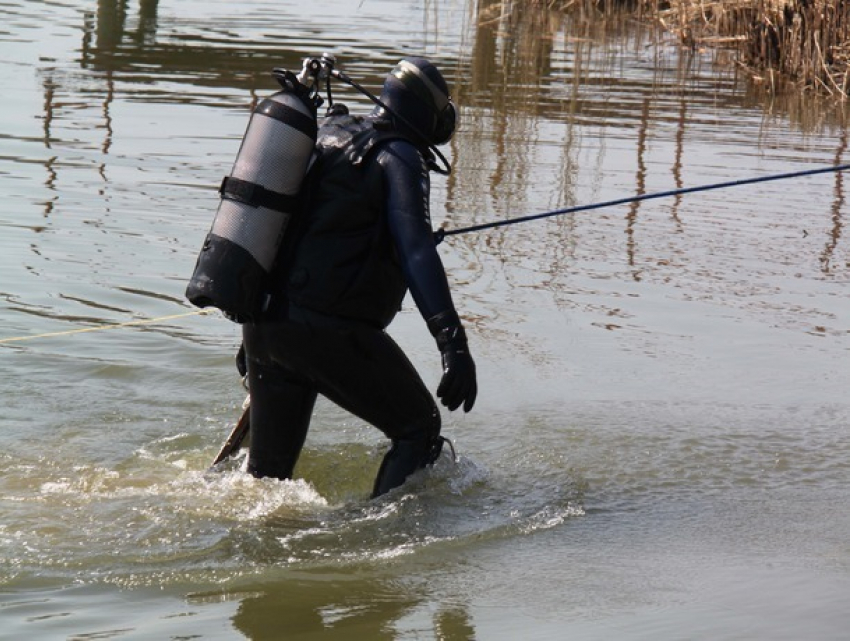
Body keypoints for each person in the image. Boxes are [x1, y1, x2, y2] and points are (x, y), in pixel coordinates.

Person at [240, 57, 477, 498]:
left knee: (267, 482)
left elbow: (299, 229)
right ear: (428, 114)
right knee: (418, 429)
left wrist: (251, 343)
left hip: (264, 325)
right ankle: (373, 545)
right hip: (324, 332)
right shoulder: (400, 155)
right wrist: (453, 343)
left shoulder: (328, 132)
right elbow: (417, 251)